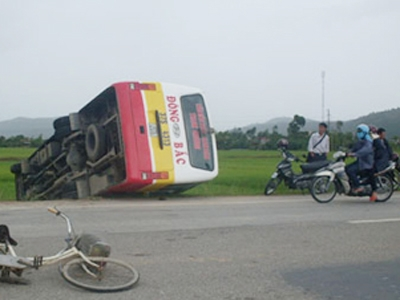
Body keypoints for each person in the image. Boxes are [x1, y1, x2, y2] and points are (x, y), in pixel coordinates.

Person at [345, 124, 377, 202]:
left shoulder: (368, 142)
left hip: (366, 164)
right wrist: (347, 153)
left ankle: (358, 186)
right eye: (358, 131)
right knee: (346, 168)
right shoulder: (360, 141)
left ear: (365, 132)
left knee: (351, 170)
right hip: (360, 162)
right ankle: (352, 184)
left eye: (360, 131)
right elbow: (354, 148)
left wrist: (354, 154)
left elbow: (364, 151)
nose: (358, 133)